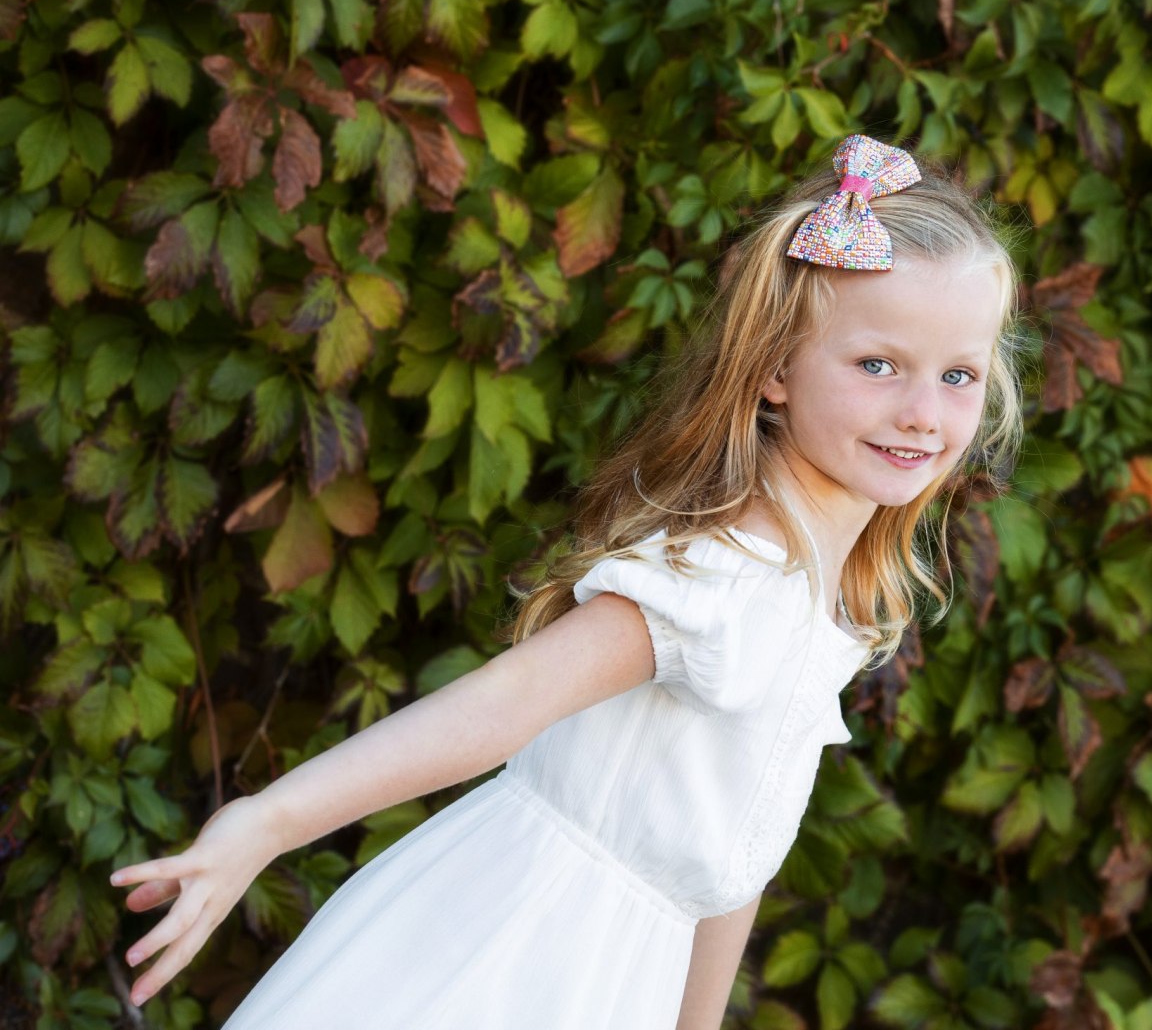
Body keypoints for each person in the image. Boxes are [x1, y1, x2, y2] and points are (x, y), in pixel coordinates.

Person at [107, 133, 1028, 1027]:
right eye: (878, 365)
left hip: (616, 982)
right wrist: (268, 822)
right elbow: (504, 704)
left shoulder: (815, 598)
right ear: (775, 368)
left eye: (958, 375)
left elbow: (724, 871)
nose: (923, 412)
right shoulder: (727, 576)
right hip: (509, 958)